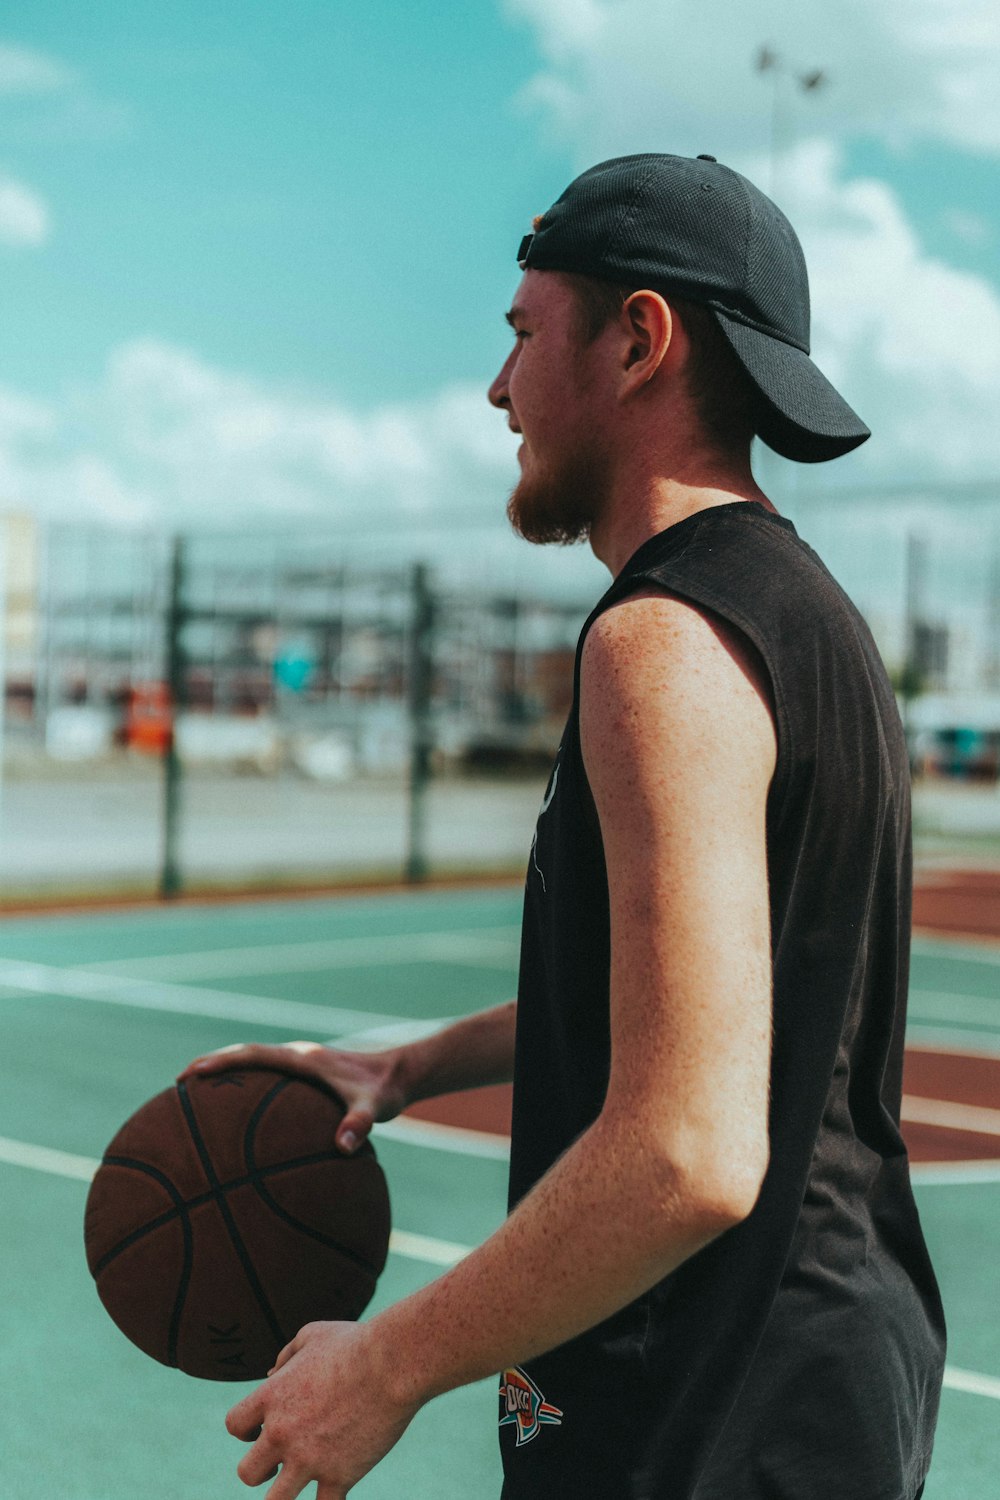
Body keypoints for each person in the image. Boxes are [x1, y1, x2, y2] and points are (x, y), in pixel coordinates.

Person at [180, 152, 945, 1499]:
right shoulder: (796, 614)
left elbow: (688, 1155)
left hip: (709, 1409)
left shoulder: (661, 644)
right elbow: (718, 1020)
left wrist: (386, 1364)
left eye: (524, 334)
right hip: (813, 1382)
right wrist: (415, 1064)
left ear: (638, 340)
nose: (497, 389)